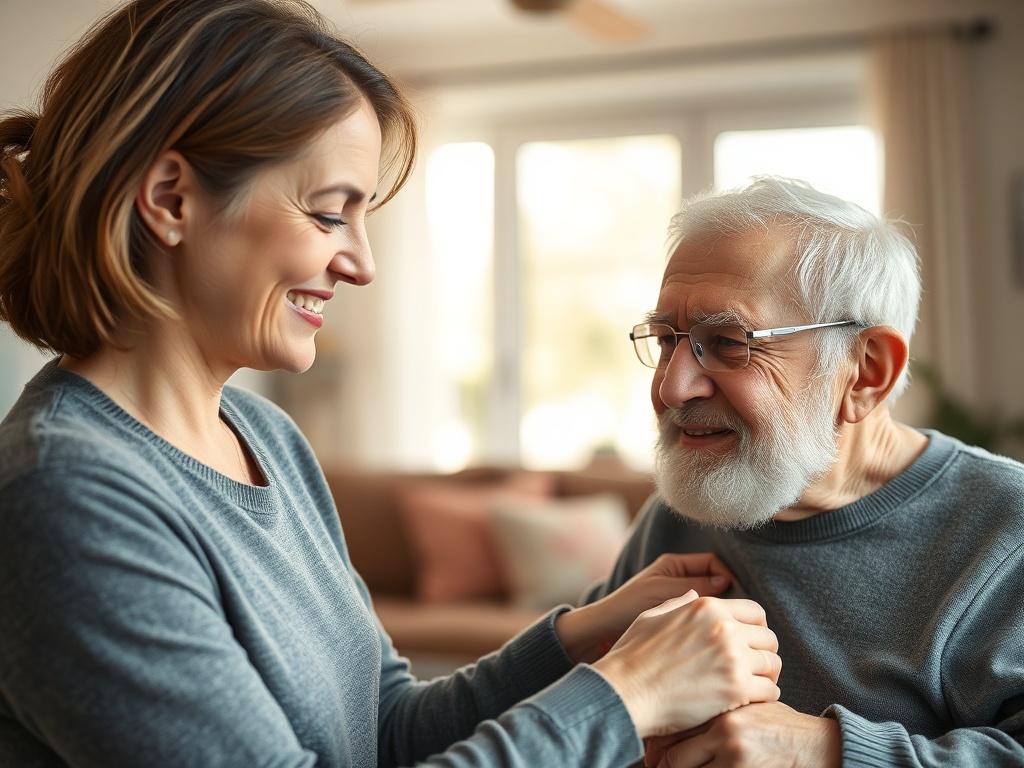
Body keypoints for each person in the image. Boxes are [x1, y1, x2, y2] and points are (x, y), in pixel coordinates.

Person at [0, 2, 784, 766]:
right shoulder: (65, 494)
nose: (362, 263)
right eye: (329, 213)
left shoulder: (264, 436)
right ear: (171, 199)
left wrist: (585, 635)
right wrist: (626, 695)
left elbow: (387, 729)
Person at [584, 176, 1024, 767]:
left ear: (866, 371)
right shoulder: (683, 508)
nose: (671, 387)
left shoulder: (1006, 527)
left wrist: (826, 752)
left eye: (728, 342)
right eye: (667, 339)